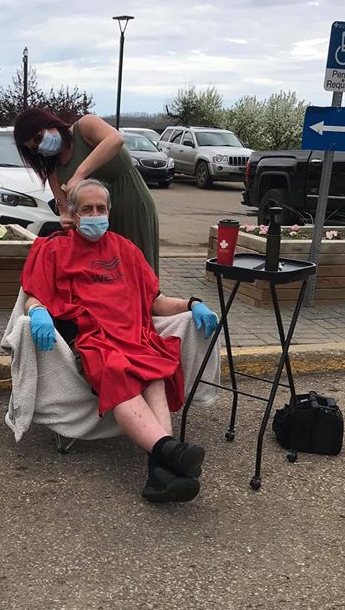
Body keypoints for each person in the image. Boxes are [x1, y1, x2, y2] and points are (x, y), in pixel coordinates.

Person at [21, 178, 219, 504]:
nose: (95, 214)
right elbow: (33, 294)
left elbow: (156, 302)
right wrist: (37, 311)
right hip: (92, 339)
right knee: (118, 372)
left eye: (101, 208)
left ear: (109, 211)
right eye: (87, 209)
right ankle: (171, 454)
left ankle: (162, 470)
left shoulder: (126, 250)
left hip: (134, 335)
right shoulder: (54, 249)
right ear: (73, 214)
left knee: (155, 373)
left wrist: (192, 303)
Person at [13, 107, 161, 274]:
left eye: (38, 138)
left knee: (139, 270)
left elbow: (115, 139)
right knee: (110, 274)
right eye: (34, 148)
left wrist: (79, 175)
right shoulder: (54, 171)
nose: (40, 147)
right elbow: (65, 212)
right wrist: (66, 218)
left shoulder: (85, 126)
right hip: (99, 223)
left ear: (48, 123)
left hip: (131, 206)